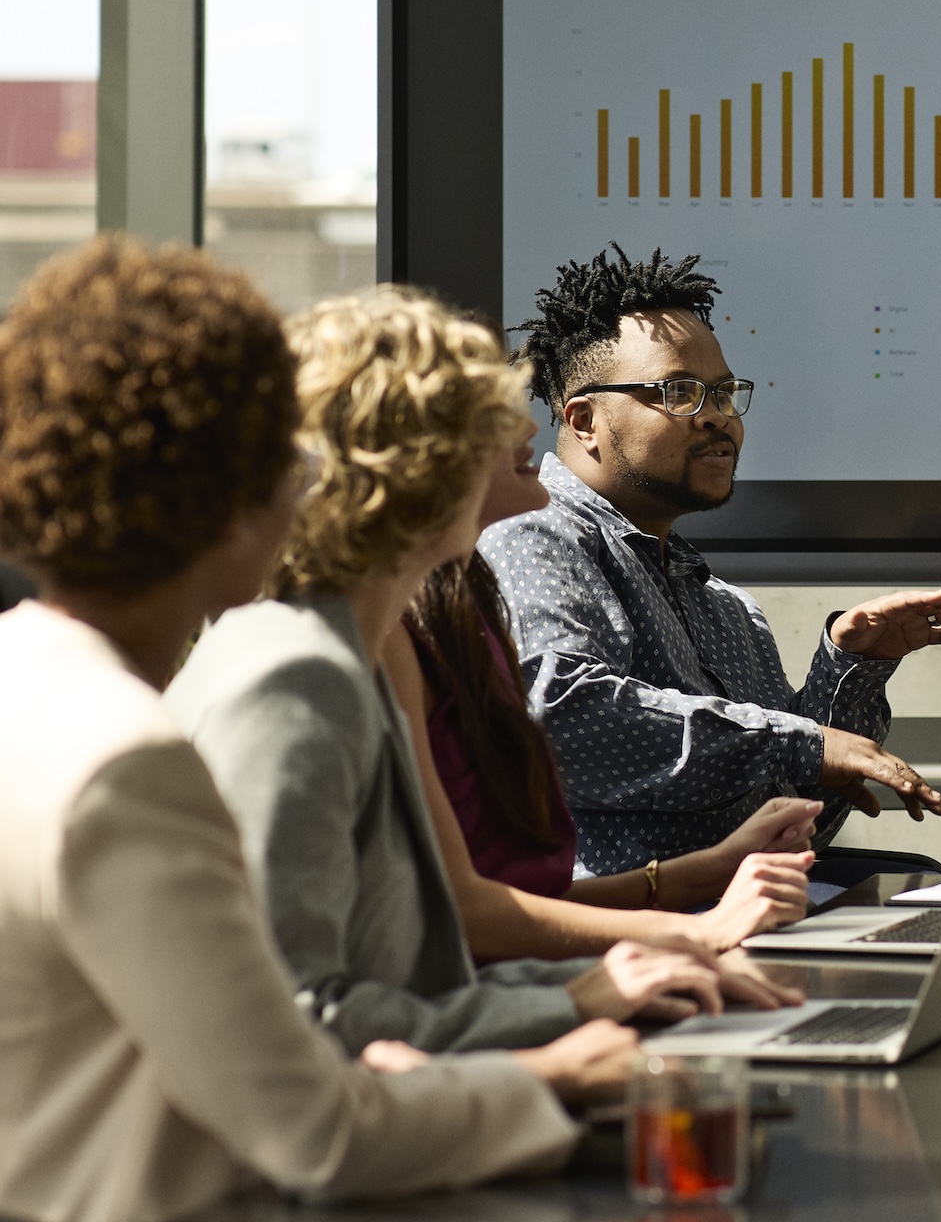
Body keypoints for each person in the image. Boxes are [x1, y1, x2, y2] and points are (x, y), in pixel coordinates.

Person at [0, 240, 635, 1222]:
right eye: (280, 460)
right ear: (222, 498)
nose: (305, 486)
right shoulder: (130, 761)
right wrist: (547, 1073)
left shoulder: (31, 683)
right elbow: (311, 1124)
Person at [169, 285, 797, 1056]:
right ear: (407, 458)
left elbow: (430, 952)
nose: (527, 424)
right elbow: (296, 1027)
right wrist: (591, 1003)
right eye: (482, 409)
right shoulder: (298, 677)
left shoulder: (367, 641)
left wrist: (660, 940)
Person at [482, 243, 941, 875]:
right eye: (681, 392)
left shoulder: (726, 610)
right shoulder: (533, 530)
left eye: (724, 394)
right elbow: (559, 718)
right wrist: (802, 746)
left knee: (928, 885)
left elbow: (795, 828)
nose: (718, 418)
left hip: (745, 917)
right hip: (630, 942)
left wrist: (851, 668)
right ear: (584, 420)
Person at [383, 421, 824, 960]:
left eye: (726, 393)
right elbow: (459, 921)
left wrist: (706, 872)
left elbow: (499, 902)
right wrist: (695, 932)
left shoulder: (450, 598)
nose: (525, 422)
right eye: (483, 407)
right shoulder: (396, 628)